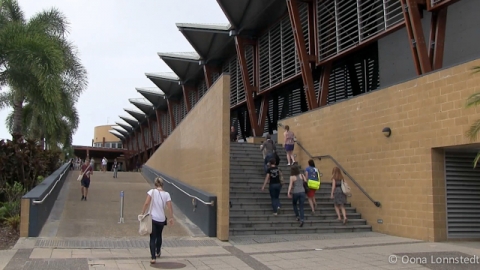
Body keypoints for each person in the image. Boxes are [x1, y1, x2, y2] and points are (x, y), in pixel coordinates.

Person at [140, 177, 174, 264]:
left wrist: (142, 213)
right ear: (162, 185)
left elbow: (146, 203)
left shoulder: (152, 192)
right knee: (159, 235)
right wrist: (171, 218)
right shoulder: (167, 194)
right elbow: (170, 207)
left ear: (155, 184)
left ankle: (153, 257)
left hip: (153, 218)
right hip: (162, 219)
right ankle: (158, 251)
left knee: (152, 237)